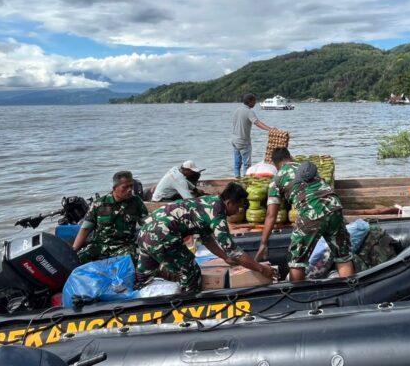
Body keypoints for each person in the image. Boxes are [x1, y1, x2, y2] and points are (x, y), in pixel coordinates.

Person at [135, 182, 277, 292]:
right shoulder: (217, 216)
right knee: (190, 271)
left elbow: (206, 238)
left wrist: (224, 258)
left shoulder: (209, 201)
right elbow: (234, 251)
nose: (238, 210)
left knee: (144, 276)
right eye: (238, 206)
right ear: (229, 203)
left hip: (145, 233)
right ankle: (188, 306)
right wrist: (261, 269)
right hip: (162, 236)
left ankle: (137, 300)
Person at [255, 148, 354, 282]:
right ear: (290, 157)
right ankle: (350, 289)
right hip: (334, 206)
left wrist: (263, 243)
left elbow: (271, 215)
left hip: (311, 213)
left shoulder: (276, 180)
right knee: (342, 255)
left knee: (296, 261)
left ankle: (297, 295)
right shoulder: (308, 169)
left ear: (275, 164)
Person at [72, 170, 148, 263]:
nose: (129, 190)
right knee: (75, 260)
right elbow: (85, 229)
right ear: (114, 188)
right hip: (99, 245)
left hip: (123, 246)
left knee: (131, 262)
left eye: (131, 186)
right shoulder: (99, 204)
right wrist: (74, 249)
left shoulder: (136, 202)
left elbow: (146, 225)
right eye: (125, 187)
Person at [231, 93, 272, 178]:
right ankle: (246, 181)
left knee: (237, 163)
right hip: (243, 141)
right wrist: (270, 129)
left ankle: (237, 178)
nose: (255, 103)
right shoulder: (249, 112)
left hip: (234, 140)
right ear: (250, 101)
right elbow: (257, 123)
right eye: (254, 101)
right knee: (247, 164)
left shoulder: (237, 110)